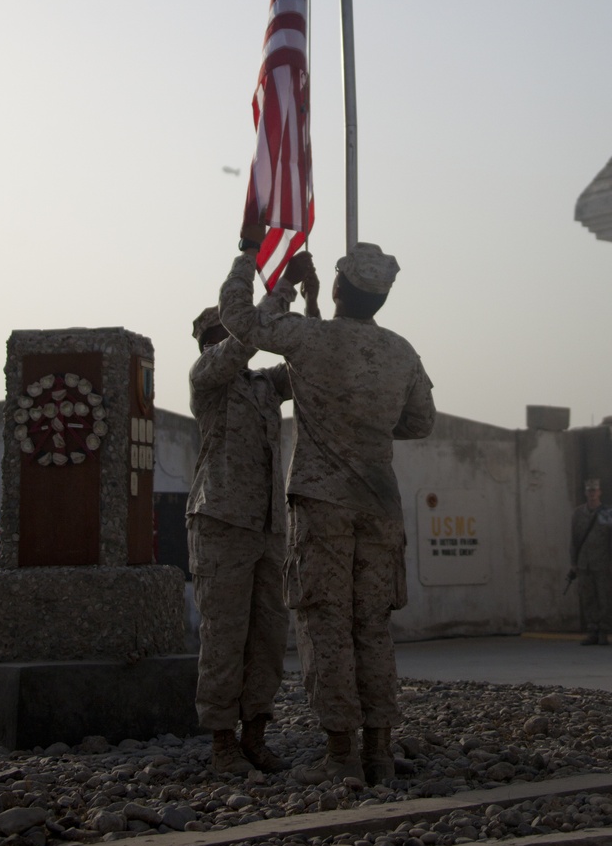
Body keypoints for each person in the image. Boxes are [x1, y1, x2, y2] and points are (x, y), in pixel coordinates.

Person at [219, 232, 436, 785]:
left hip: (322, 507)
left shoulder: (309, 339)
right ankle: (379, 755)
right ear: (380, 298)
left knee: (327, 627)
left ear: (337, 285)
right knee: (372, 629)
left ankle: (341, 756)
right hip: (379, 506)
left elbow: (237, 318)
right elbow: (419, 423)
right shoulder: (401, 351)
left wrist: (251, 259)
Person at [186, 301, 292, 775]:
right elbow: (237, 348)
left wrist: (307, 304)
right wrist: (271, 303)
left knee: (268, 637)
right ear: (211, 337)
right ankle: (222, 742)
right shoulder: (208, 376)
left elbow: (308, 359)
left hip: (268, 529)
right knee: (224, 637)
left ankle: (255, 734)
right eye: (225, 331)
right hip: (223, 523)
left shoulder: (263, 385)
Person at [569, 478, 612, 645]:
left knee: (604, 597)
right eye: (589, 491)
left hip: (601, 561)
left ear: (599, 492)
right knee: (588, 598)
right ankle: (592, 630)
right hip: (584, 562)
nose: (592, 494)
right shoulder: (578, 513)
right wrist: (573, 562)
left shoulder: (606, 512)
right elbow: (574, 539)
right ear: (585, 493)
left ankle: (603, 631)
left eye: (594, 490)